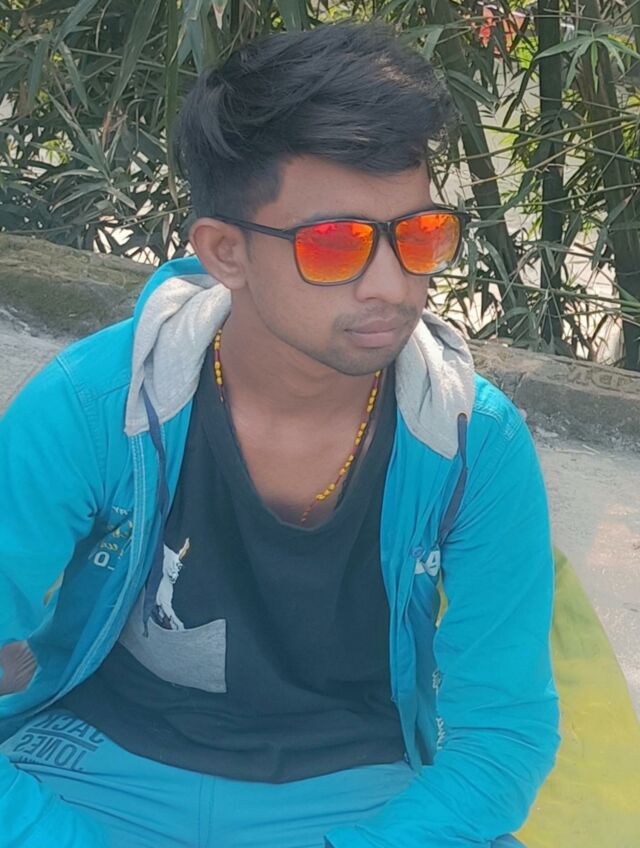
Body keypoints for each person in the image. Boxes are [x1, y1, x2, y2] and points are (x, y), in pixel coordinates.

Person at [0, 21, 560, 848]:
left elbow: (502, 734)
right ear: (225, 251)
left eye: (418, 236)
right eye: (333, 245)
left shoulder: (473, 442)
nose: (391, 285)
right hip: (96, 765)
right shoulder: (95, 409)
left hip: (355, 791)